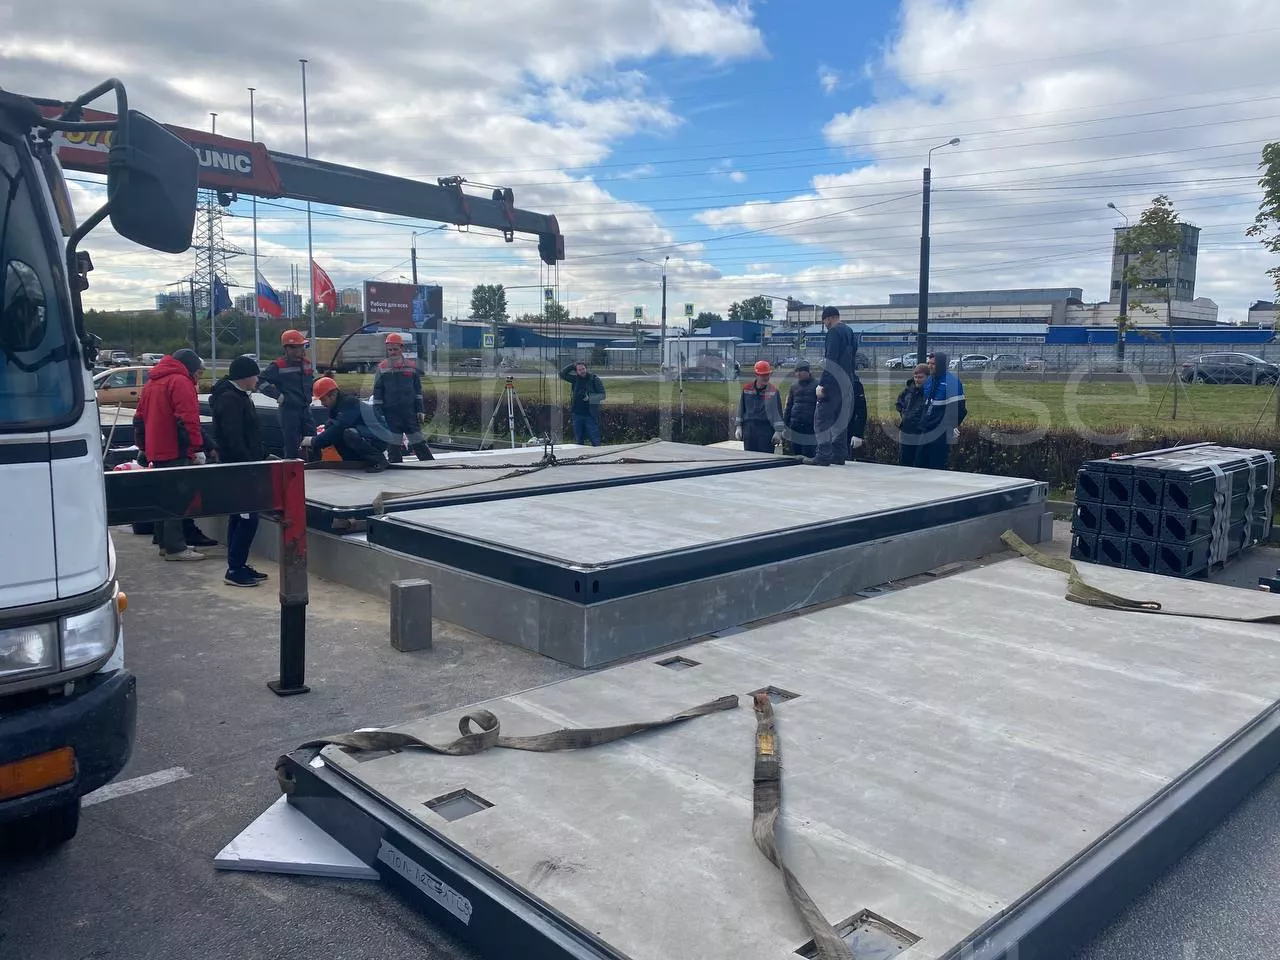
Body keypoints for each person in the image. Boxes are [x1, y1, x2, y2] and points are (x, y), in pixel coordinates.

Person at [133, 348, 207, 561]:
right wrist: (196, 448)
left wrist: (143, 446)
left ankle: (164, 543)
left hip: (156, 450)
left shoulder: (152, 382)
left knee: (163, 498)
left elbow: (139, 418)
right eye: (199, 373)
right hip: (176, 449)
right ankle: (176, 548)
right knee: (177, 499)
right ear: (190, 368)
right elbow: (188, 419)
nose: (198, 378)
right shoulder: (181, 382)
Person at [210, 355, 270, 587]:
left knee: (239, 516)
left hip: (245, 465)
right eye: (255, 376)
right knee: (248, 518)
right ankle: (234, 569)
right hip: (239, 469)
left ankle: (238, 564)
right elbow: (233, 436)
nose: (257, 380)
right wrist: (247, 464)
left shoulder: (239, 396)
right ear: (245, 377)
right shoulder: (230, 399)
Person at [303, 377, 389, 472]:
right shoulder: (338, 407)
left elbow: (338, 428)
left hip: (378, 439)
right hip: (367, 435)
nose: (322, 403)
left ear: (334, 394)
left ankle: (379, 459)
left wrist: (313, 441)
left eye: (324, 400)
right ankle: (351, 461)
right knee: (330, 426)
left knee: (348, 433)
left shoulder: (349, 404)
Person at [808, 306, 857, 466]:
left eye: (824, 322)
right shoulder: (849, 331)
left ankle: (823, 455)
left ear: (828, 318)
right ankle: (839, 455)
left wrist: (822, 385)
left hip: (833, 383)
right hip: (847, 382)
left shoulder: (833, 332)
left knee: (821, 419)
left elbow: (831, 360)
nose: (825, 325)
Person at [373, 332, 433, 462]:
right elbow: (378, 391)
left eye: (395, 349)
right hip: (390, 413)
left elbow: (417, 390)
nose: (392, 352)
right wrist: (378, 412)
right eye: (390, 350)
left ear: (402, 348)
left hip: (409, 412)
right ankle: (395, 466)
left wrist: (420, 410)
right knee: (393, 444)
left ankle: (429, 464)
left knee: (418, 442)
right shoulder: (382, 367)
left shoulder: (411, 366)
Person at [258, 329, 315, 459]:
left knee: (312, 441)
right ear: (288, 348)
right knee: (292, 445)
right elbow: (259, 381)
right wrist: (278, 396)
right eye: (299, 346)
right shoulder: (278, 366)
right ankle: (292, 467)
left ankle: (312, 465)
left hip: (306, 410)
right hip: (289, 412)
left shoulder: (306, 364)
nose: (302, 349)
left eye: (303, 346)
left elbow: (310, 383)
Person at [918, 351, 967, 470]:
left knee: (936, 467)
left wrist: (949, 427)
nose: (929, 366)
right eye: (929, 363)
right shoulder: (929, 381)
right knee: (919, 465)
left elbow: (960, 409)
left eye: (933, 364)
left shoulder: (952, 382)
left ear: (941, 364)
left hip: (940, 433)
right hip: (926, 430)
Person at [735, 360, 786, 454]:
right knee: (749, 458)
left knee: (765, 459)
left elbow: (777, 414)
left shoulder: (773, 392)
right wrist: (738, 427)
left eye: (767, 375)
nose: (766, 377)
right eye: (763, 375)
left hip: (766, 431)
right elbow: (741, 409)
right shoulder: (747, 389)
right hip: (749, 430)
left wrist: (778, 432)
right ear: (756, 375)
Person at [560, 361, 606, 446]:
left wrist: (590, 398)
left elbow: (602, 395)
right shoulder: (575, 379)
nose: (582, 371)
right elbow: (562, 374)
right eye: (579, 370)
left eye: (583, 369)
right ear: (576, 371)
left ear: (586, 369)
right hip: (577, 415)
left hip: (590, 415)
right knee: (579, 440)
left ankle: (597, 453)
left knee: (595, 440)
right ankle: (581, 454)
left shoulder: (594, 379)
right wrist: (572, 366)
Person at [895, 363, 929, 467]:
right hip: (907, 431)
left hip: (921, 432)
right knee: (905, 462)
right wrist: (904, 415)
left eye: (920, 377)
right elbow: (899, 404)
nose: (917, 380)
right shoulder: (908, 390)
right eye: (915, 377)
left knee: (920, 463)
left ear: (928, 377)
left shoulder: (930, 392)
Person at [783, 361, 817, 459]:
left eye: (800, 371)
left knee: (808, 454)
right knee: (796, 454)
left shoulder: (816, 385)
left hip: (810, 426)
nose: (798, 374)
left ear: (808, 371)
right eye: (796, 371)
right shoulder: (794, 386)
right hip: (795, 425)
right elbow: (789, 406)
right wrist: (785, 424)